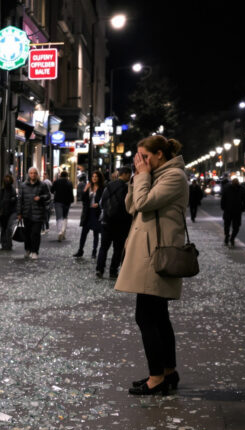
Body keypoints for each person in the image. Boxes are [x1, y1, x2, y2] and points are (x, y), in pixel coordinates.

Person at [115, 135, 188, 397]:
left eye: (145, 157)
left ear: (160, 155)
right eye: (138, 158)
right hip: (148, 253)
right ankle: (168, 372)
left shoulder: (174, 176)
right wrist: (137, 178)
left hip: (156, 256)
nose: (141, 162)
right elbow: (131, 206)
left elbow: (144, 203)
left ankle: (157, 377)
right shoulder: (154, 175)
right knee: (157, 317)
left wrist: (143, 176)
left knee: (146, 317)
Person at [96, 166, 133, 279]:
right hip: (121, 223)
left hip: (107, 221)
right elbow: (128, 206)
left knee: (103, 247)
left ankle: (100, 269)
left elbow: (102, 203)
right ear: (126, 174)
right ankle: (113, 271)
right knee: (118, 249)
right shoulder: (127, 188)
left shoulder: (109, 186)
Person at [16, 167, 51, 259]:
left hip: (38, 213)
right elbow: (20, 200)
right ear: (28, 174)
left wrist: (41, 198)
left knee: (35, 233)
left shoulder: (42, 185)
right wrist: (19, 213)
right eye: (31, 173)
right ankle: (28, 249)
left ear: (37, 174)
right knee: (27, 233)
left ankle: (35, 251)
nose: (33, 175)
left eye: (35, 173)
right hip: (26, 213)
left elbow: (48, 196)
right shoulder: (23, 186)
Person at [74, 169, 105, 258]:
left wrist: (98, 204)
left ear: (99, 178)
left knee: (96, 233)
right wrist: (85, 189)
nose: (94, 178)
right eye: (93, 176)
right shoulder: (89, 186)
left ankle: (94, 251)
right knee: (84, 232)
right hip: (88, 212)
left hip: (96, 212)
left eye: (96, 176)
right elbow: (82, 199)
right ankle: (80, 250)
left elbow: (105, 200)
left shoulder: (102, 188)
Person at [220, 177, 245, 247]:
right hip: (232, 211)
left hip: (233, 211)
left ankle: (230, 237)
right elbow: (223, 199)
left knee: (232, 226)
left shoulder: (240, 189)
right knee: (231, 226)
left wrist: (243, 208)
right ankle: (229, 237)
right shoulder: (238, 189)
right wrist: (243, 208)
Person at [50, 170, 75, 241]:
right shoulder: (69, 183)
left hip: (58, 201)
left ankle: (59, 232)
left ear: (60, 175)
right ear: (67, 176)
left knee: (59, 217)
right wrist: (71, 200)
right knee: (65, 216)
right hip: (67, 201)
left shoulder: (56, 182)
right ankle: (63, 230)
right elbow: (71, 192)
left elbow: (51, 190)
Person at [0, 174, 17, 250]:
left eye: (8, 180)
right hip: (4, 211)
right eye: (6, 180)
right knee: (4, 228)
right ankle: (3, 243)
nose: (7, 182)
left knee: (8, 228)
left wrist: (12, 199)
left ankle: (8, 243)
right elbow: (0, 200)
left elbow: (14, 200)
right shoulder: (3, 190)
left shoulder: (12, 190)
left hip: (11, 212)